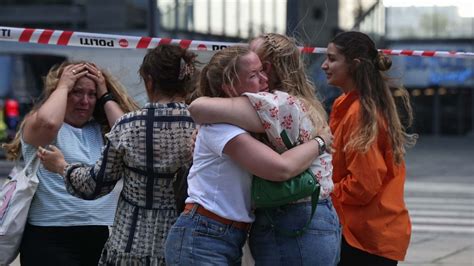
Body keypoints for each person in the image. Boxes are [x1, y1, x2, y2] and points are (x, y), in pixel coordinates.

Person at [164, 45, 330, 265]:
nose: (264, 80)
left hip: (220, 235)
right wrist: (321, 142)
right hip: (204, 235)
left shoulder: (240, 123)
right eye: (253, 75)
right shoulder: (221, 127)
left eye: (263, 71)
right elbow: (281, 169)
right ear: (229, 87)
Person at [37, 44, 198, 265]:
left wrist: (62, 166)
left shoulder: (129, 126)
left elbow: (93, 186)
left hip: (130, 246)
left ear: (149, 81)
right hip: (183, 244)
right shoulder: (202, 126)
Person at [2, 61, 138, 265]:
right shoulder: (39, 123)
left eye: (91, 94)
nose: (84, 101)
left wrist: (105, 94)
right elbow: (48, 122)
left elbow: (133, 139)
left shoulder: (101, 129)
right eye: (76, 92)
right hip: (49, 237)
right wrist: (64, 85)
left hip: (99, 235)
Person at [321, 31, 417, 265]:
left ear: (354, 65)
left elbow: (363, 184)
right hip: (367, 231)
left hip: (365, 236)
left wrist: (323, 193)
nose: (324, 65)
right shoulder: (353, 103)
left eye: (332, 59)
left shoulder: (360, 112)